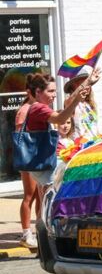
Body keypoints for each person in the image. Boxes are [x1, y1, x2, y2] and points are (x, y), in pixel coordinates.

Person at [21, 73, 90, 248]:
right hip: (44, 166)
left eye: (55, 91)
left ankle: (47, 242)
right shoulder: (39, 108)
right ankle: (50, 242)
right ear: (38, 91)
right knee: (54, 200)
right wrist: (76, 100)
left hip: (44, 164)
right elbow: (60, 118)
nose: (54, 95)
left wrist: (86, 86)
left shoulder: (37, 107)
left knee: (47, 203)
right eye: (51, 91)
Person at [14, 83, 41, 249]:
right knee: (29, 195)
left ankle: (39, 230)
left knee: (40, 195)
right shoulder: (25, 109)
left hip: (37, 157)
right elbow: (20, 136)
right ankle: (26, 233)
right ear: (30, 93)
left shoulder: (37, 107)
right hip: (29, 157)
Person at [64, 67, 101, 140]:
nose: (87, 85)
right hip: (80, 147)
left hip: (93, 145)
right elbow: (71, 99)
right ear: (73, 86)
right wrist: (88, 81)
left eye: (89, 83)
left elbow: (94, 128)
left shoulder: (89, 104)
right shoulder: (70, 102)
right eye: (82, 83)